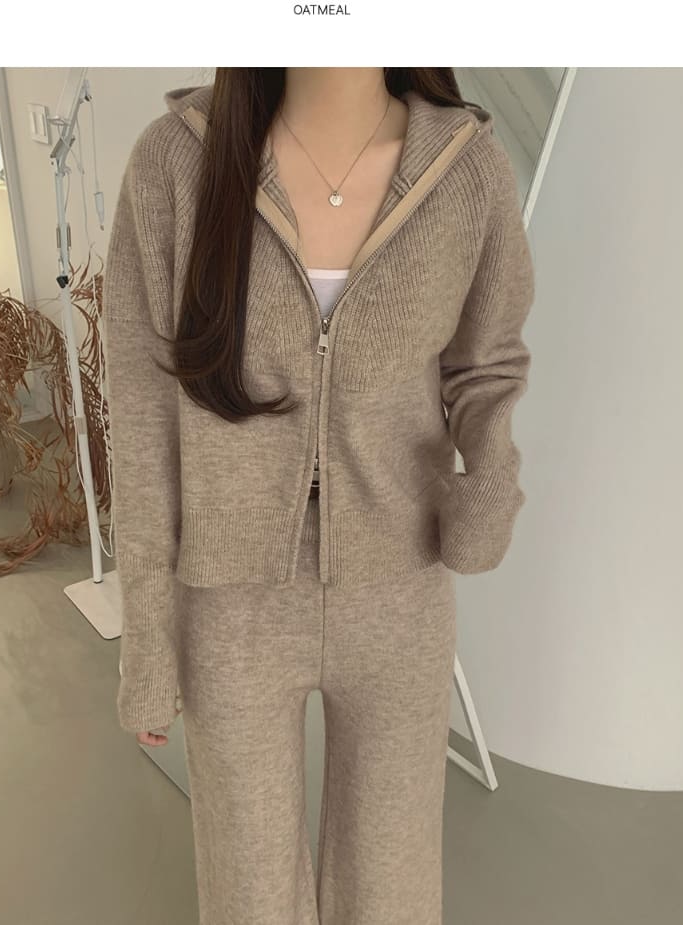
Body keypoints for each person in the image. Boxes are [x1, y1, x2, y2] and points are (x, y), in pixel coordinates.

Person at [103, 67, 534, 925]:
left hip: (398, 589)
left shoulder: (466, 170)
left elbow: (486, 361)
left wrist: (487, 483)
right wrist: (147, 642)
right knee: (248, 892)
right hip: (230, 598)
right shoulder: (173, 166)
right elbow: (145, 417)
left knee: (390, 887)